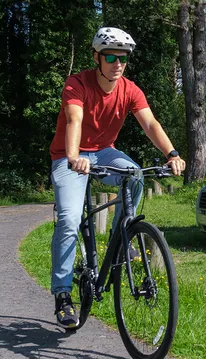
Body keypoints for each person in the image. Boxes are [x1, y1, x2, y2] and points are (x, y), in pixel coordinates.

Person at [49, 27, 186, 328]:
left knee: (135, 174)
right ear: (96, 57)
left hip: (104, 151)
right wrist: (73, 157)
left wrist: (172, 153)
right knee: (70, 219)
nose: (117, 64)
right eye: (111, 57)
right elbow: (74, 120)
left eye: (123, 59)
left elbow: (150, 124)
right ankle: (62, 294)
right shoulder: (77, 83)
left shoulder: (130, 89)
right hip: (68, 155)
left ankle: (120, 237)